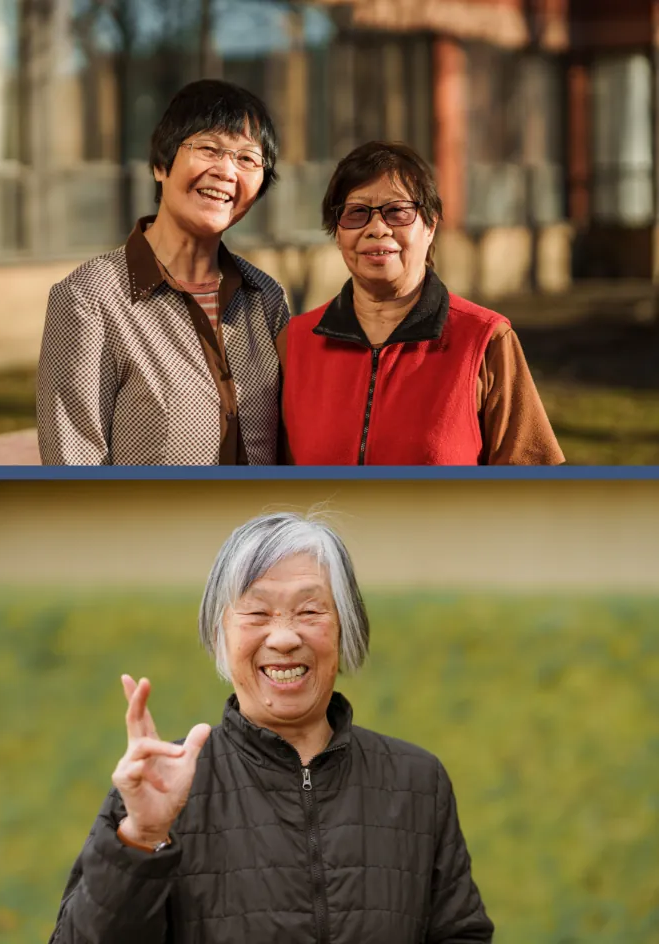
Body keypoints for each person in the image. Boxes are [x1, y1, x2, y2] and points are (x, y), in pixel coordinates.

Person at [51, 512, 493, 943]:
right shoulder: (160, 788)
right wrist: (142, 840)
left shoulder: (416, 781)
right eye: (257, 614)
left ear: (344, 628)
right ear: (220, 634)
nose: (283, 638)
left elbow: (461, 933)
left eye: (309, 610)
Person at [37, 79, 291, 465]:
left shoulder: (266, 298)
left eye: (247, 159)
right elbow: (73, 464)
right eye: (208, 149)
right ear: (161, 164)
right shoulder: (90, 298)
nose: (226, 171)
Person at [282, 141, 563, 464]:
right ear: (337, 233)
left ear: (430, 226)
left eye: (397, 212)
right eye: (357, 213)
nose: (376, 228)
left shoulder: (485, 340)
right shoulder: (295, 342)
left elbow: (531, 486)